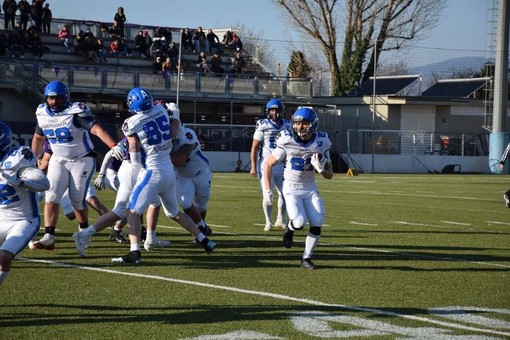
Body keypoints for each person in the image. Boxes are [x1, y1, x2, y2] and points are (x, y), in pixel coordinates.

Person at [73, 88, 216, 263]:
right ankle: (204, 239)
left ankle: (134, 251)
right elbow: (172, 132)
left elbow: (133, 146)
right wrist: (176, 116)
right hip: (167, 171)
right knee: (171, 212)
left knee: (130, 212)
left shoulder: (131, 122)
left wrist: (136, 167)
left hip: (145, 169)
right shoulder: (161, 111)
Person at [30, 80, 121, 250]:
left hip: (82, 159)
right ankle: (49, 236)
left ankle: (83, 231)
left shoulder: (75, 111)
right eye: (51, 98)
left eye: (58, 98)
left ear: (65, 98)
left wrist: (112, 145)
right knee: (51, 196)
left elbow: (96, 129)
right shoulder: (42, 112)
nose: (54, 102)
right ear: (46, 98)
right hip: (58, 158)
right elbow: (38, 137)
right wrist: (32, 159)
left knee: (77, 200)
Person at [263, 107, 333, 269]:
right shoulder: (287, 139)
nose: (300, 127)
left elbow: (330, 174)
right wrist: (268, 189)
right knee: (299, 222)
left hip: (310, 188)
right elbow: (268, 165)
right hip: (291, 188)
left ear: (313, 124)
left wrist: (322, 170)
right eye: (297, 123)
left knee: (317, 222)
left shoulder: (321, 141)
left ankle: (306, 258)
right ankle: (289, 228)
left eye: (305, 123)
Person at [0, 120, 50, 285]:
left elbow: (44, 183)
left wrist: (21, 182)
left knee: (4, 257)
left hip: (23, 220)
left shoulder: (17, 158)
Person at [250, 99, 291, 231]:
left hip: (281, 163)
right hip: (266, 164)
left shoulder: (287, 124)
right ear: (268, 111)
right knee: (268, 194)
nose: (275, 113)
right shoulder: (262, 124)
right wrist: (253, 166)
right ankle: (268, 221)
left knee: (285, 193)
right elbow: (255, 147)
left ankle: (280, 219)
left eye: (278, 110)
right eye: (273, 110)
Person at [171, 126, 213, 237]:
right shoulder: (161, 136)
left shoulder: (187, 134)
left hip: (201, 172)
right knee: (184, 202)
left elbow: (179, 160)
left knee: (202, 206)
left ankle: (201, 227)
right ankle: (201, 229)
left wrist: (160, 155)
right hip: (182, 175)